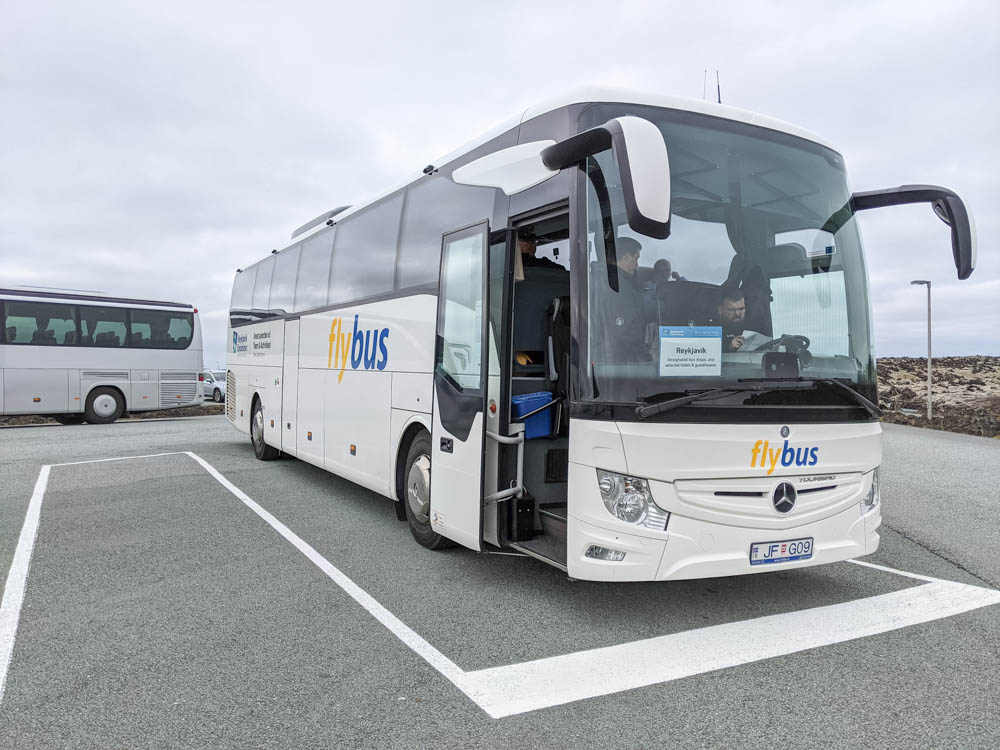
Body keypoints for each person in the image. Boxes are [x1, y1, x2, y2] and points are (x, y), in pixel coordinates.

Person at [593, 236, 650, 361]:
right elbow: (628, 333)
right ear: (626, 257)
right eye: (636, 258)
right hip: (619, 364)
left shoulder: (598, 280)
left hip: (601, 357)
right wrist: (647, 361)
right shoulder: (620, 288)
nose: (637, 264)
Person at [714, 287, 767, 352]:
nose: (737, 314)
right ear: (720, 310)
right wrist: (728, 347)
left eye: (741, 309)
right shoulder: (710, 329)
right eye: (731, 310)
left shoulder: (753, 327)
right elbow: (705, 350)